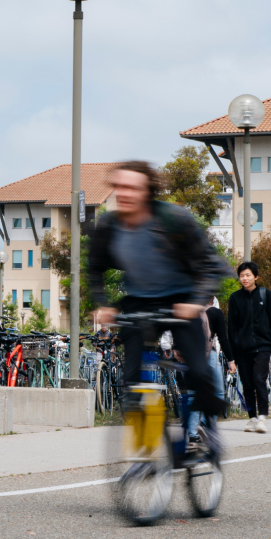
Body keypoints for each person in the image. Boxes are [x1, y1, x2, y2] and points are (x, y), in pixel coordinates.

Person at [90, 160, 231, 427]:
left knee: (197, 371)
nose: (125, 193)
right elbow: (94, 269)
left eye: (133, 188)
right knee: (132, 378)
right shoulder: (110, 226)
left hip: (181, 298)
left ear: (148, 191)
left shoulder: (174, 219)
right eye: (119, 186)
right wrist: (104, 305)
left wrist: (194, 301)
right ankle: (145, 451)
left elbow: (210, 265)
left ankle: (205, 435)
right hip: (139, 300)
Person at [227, 260, 271, 432]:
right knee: (247, 384)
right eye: (242, 275)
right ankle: (252, 417)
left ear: (256, 276)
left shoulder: (266, 295)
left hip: (263, 346)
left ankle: (263, 417)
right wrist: (232, 354)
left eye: (248, 275)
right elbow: (232, 327)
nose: (244, 278)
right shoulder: (235, 298)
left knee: (259, 379)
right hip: (242, 349)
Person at [183, 302, 231, 448]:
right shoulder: (215, 312)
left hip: (190, 355)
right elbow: (223, 338)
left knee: (192, 394)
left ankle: (192, 435)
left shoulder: (186, 308)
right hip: (209, 355)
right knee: (218, 392)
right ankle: (205, 424)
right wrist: (231, 360)